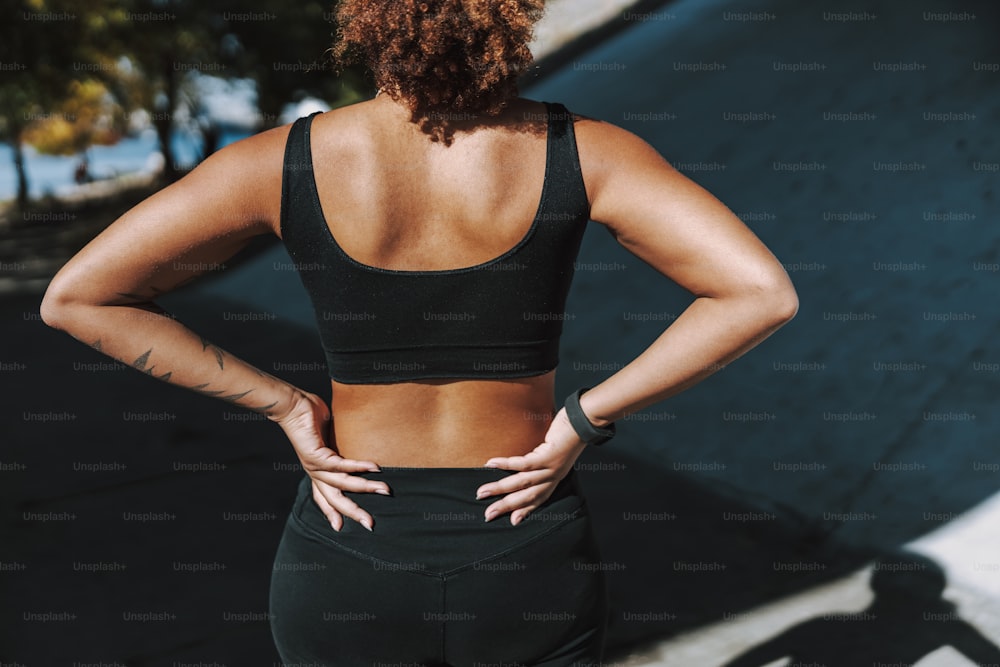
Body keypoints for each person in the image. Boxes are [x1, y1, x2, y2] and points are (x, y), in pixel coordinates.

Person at [39, 1, 798, 664]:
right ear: (510, 15)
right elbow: (758, 293)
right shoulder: (585, 151)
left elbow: (79, 297)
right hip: (524, 541)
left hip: (348, 544)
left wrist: (282, 405)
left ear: (364, 19)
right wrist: (584, 418)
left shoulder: (278, 163)